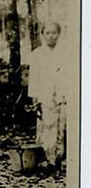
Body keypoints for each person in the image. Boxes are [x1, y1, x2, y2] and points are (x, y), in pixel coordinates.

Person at [28, 21, 67, 169]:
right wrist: (35, 99)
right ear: (43, 35)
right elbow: (34, 79)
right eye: (48, 33)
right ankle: (47, 159)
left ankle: (59, 158)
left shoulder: (65, 53)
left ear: (59, 34)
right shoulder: (37, 54)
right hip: (44, 95)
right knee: (46, 126)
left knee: (61, 127)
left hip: (62, 95)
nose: (51, 36)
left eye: (54, 33)